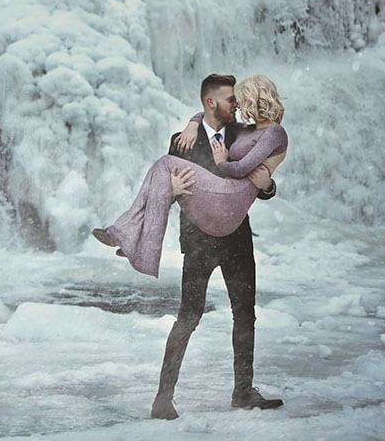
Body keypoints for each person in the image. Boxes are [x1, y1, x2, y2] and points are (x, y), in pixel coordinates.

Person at [92, 73, 286, 418]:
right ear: (211, 102)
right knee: (188, 316)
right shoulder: (181, 142)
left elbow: (262, 171)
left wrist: (268, 185)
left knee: (245, 314)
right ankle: (163, 397)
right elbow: (160, 192)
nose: (237, 105)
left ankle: (243, 391)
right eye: (230, 99)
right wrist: (174, 190)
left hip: (236, 237)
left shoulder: (242, 131)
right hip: (197, 240)